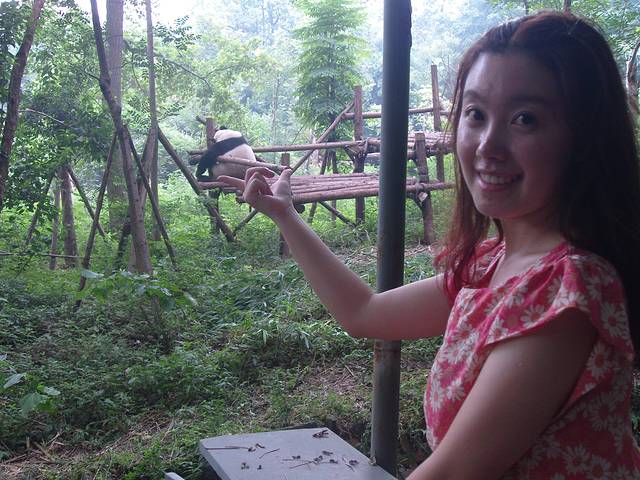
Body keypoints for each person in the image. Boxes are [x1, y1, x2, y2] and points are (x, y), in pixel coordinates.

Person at [219, 11, 640, 479]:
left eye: (525, 119)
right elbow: (364, 314)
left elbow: (455, 471)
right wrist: (285, 215)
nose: (488, 145)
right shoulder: (492, 264)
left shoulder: (567, 286)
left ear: (584, 136)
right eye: (475, 114)